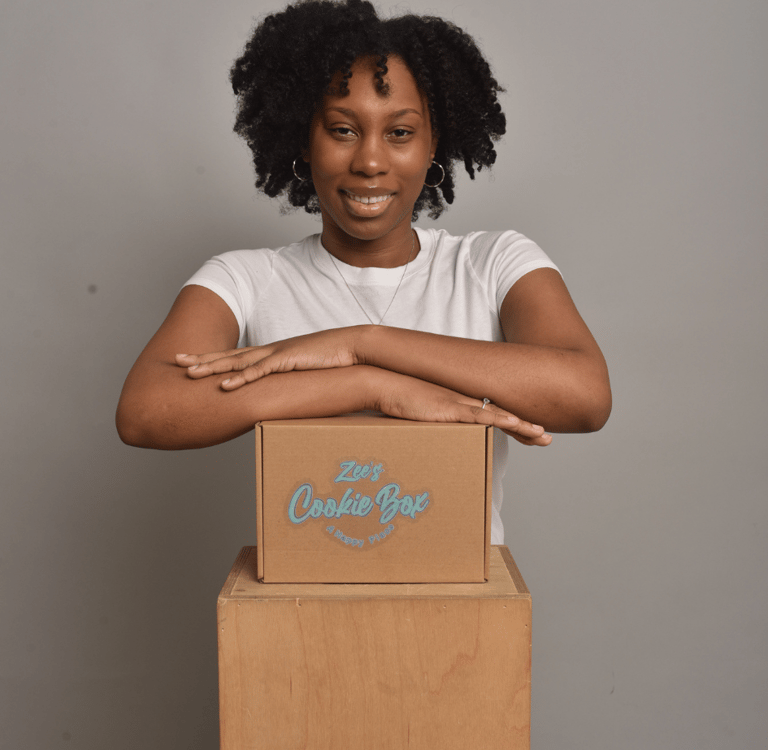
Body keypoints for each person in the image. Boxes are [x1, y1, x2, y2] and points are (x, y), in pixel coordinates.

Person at [116, 0, 611, 544]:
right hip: (297, 603)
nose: (370, 161)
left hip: (463, 602)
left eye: (399, 133)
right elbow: (145, 413)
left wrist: (363, 342)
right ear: (304, 140)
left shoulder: (493, 264)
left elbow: (585, 398)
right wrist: (368, 386)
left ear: (433, 144)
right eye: (343, 130)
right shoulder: (246, 280)